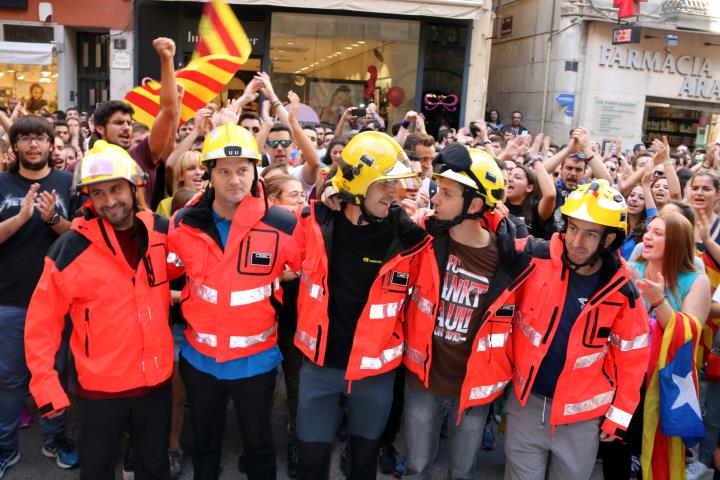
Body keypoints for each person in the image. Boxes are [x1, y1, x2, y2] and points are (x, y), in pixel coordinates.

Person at [24, 140, 180, 479]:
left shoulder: (162, 234)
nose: (109, 201)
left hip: (155, 384)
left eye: (116, 189)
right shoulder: (70, 248)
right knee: (96, 470)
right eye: (98, 193)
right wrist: (47, 388)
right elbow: (41, 324)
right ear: (88, 198)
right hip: (100, 390)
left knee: (155, 468)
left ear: (134, 186)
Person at [293, 131, 434, 479]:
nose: (394, 192)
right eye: (384, 183)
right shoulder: (315, 222)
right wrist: (326, 184)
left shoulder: (409, 237)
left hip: (374, 375)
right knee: (311, 466)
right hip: (320, 368)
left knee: (363, 467)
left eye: (395, 183)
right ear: (357, 184)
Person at [168, 123, 303, 479]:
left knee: (259, 448)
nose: (234, 179)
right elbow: (164, 274)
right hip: (200, 362)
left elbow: (312, 269)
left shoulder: (282, 224)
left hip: (255, 364)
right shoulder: (185, 223)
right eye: (224, 170)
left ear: (255, 170)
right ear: (209, 173)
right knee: (206, 447)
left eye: (243, 169)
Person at [402, 144, 535, 478]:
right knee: (417, 466)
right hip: (424, 381)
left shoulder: (509, 258)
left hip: (475, 387)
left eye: (446, 193)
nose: (435, 199)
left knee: (462, 472)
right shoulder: (423, 237)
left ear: (474, 204)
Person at [505, 180, 650, 480]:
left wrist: (618, 418)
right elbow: (489, 242)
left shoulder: (623, 291)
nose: (577, 241)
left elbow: (633, 360)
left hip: (581, 419)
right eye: (573, 229)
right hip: (527, 406)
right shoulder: (536, 256)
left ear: (609, 240)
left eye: (590, 233)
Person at [602, 212, 710, 480]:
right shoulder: (629, 270)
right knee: (616, 449)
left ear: (676, 241)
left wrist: (659, 302)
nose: (647, 237)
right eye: (648, 231)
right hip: (622, 378)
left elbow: (688, 333)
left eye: (657, 233)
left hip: (662, 385)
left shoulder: (697, 280)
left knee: (651, 455)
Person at [0, 116, 78, 479]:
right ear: (14, 146)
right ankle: (5, 447)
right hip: (10, 301)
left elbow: (80, 238)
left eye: (40, 138)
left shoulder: (67, 182)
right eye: (26, 139)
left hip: (58, 302)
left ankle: (54, 439)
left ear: (51, 145)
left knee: (55, 377)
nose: (33, 145)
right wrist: (22, 217)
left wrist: (53, 219)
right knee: (10, 380)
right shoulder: (1, 183)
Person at [93, 37, 179, 210]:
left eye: (129, 123)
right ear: (100, 127)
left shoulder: (142, 156)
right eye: (118, 123)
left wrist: (166, 60)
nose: (126, 128)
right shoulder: (88, 162)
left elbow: (168, 110)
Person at [156, 151, 205, 217]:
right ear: (180, 175)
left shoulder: (215, 203)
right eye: (191, 168)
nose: (198, 172)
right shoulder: (166, 205)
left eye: (202, 168)